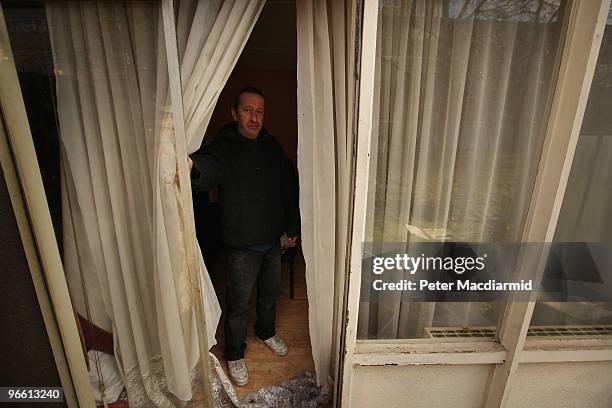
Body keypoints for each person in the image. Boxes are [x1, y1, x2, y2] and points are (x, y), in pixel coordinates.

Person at [189, 86, 300, 386]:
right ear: (235, 113)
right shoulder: (223, 146)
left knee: (269, 294)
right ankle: (235, 352)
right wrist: (191, 167)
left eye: (259, 111)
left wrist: (292, 228)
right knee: (238, 304)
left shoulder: (272, 146)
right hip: (241, 245)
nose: (254, 117)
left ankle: (266, 331)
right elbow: (209, 167)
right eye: (248, 110)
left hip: (272, 240)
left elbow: (288, 189)